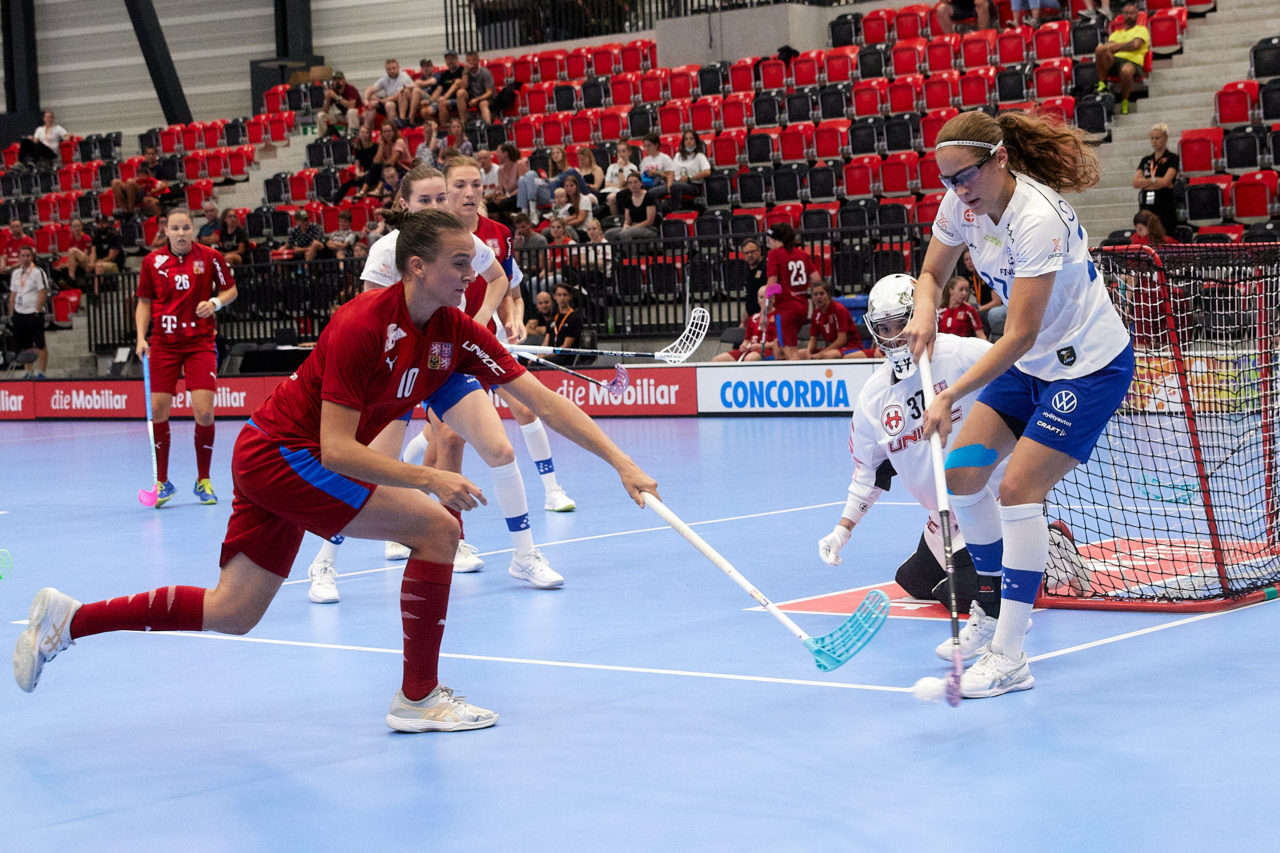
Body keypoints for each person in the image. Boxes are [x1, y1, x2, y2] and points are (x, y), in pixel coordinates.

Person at [14, 209, 659, 734]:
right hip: (283, 455)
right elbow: (337, 451)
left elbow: (543, 398)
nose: (473, 275)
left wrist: (623, 465)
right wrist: (431, 479)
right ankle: (418, 698)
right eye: (460, 264)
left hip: (274, 457)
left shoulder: (454, 330)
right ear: (416, 266)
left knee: (234, 611)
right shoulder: (361, 325)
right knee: (436, 531)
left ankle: (68, 621)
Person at [903, 109, 1134, 698]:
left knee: (1017, 490)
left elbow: (1020, 332)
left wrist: (950, 394)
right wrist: (925, 307)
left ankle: (1011, 653)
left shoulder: (1038, 220)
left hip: (1087, 367)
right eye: (947, 182)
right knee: (962, 473)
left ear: (999, 160)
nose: (956, 194)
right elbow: (931, 272)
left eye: (965, 178)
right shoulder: (962, 204)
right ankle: (989, 609)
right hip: (1033, 369)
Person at [818, 274, 997, 618]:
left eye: (901, 324)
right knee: (913, 581)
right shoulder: (874, 395)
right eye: (884, 329)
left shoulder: (962, 354)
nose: (893, 337)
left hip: (987, 501)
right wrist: (842, 530)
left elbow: (1020, 379)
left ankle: (1045, 548)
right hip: (942, 515)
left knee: (960, 595)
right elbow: (869, 472)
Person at [135, 208, 240, 508]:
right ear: (165, 231)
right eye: (175, 228)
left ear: (193, 230)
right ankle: (163, 483)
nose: (181, 233)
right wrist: (141, 338)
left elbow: (231, 289)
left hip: (200, 344)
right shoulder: (151, 262)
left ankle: (203, 480)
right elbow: (144, 303)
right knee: (158, 411)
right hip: (164, 345)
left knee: (204, 413)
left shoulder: (210, 257)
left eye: (186, 228)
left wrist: (216, 303)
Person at [764, 223, 819, 361]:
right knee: (782, 348)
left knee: (790, 351)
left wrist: (764, 312)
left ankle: (800, 380)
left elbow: (772, 285)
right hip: (802, 307)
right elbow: (816, 279)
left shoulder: (774, 254)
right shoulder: (802, 254)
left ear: (774, 239)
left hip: (785, 309)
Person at [1094, 3, 1149, 115]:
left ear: (1137, 15)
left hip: (1133, 62)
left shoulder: (1142, 30)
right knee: (1100, 49)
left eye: (1132, 13)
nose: (1129, 15)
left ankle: (1125, 102)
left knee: (1126, 70)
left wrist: (1116, 47)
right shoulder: (1116, 33)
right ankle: (1102, 83)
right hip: (1114, 61)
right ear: (1122, 15)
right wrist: (1124, 45)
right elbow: (1108, 48)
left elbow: (1135, 45)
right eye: (1126, 13)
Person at [7, 245, 50, 378]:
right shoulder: (15, 273)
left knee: (40, 343)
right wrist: (11, 311)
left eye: (28, 256)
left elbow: (42, 291)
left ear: (32, 257)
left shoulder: (38, 272)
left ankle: (42, 372)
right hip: (20, 313)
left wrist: (38, 309)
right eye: (23, 256)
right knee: (25, 345)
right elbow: (13, 293)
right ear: (19, 257)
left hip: (33, 313)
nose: (25, 258)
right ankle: (28, 371)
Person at [1133, 122, 1179, 236]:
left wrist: (1146, 182)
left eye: (1158, 138)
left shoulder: (1173, 158)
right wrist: (1155, 181)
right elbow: (1135, 182)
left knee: (1165, 235)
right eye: (1152, 138)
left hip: (1165, 205)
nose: (1154, 141)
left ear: (1165, 138)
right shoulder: (1146, 160)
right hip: (1147, 205)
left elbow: (1166, 181)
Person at [712, 285, 775, 362]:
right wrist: (743, 346)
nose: (764, 300)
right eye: (761, 297)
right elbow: (747, 340)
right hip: (750, 350)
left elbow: (779, 343)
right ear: (758, 300)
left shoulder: (778, 316)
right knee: (718, 360)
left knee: (749, 359)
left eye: (767, 297)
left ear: (773, 299)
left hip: (768, 350)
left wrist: (760, 346)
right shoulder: (753, 318)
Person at [800, 280, 857, 359]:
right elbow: (813, 339)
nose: (818, 297)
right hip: (833, 349)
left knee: (826, 355)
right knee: (800, 354)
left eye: (821, 294)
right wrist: (808, 352)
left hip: (851, 347)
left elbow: (842, 340)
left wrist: (822, 353)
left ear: (828, 295)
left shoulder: (838, 309)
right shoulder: (816, 313)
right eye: (815, 294)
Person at [605, 173, 658, 243]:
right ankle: (618, 253)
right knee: (609, 233)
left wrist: (633, 227)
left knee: (626, 233)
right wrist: (625, 226)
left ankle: (632, 254)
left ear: (641, 183)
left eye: (635, 182)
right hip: (632, 227)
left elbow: (649, 221)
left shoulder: (649, 197)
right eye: (630, 183)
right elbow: (627, 220)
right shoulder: (628, 198)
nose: (633, 185)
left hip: (648, 228)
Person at [362, 59, 414, 128]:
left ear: (398, 68)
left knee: (389, 105)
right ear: (386, 70)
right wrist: (366, 101)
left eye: (394, 68)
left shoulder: (404, 78)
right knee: (372, 97)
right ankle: (367, 129)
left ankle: (393, 129)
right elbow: (369, 90)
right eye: (389, 69)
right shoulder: (385, 78)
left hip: (402, 104)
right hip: (388, 100)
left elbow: (397, 96)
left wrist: (379, 103)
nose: (392, 71)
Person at [669, 130, 711, 211]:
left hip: (693, 184)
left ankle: (676, 211)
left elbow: (707, 172)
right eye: (686, 139)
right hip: (676, 182)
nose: (688, 141)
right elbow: (671, 172)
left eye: (691, 139)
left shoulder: (700, 156)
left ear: (696, 141)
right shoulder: (678, 156)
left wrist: (690, 178)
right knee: (653, 192)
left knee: (674, 187)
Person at [938, 275, 988, 341]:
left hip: (961, 346)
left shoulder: (969, 310)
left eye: (966, 290)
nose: (964, 293)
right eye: (961, 290)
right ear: (951, 291)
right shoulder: (939, 310)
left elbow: (981, 335)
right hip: (942, 345)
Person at [316, 70, 362, 138]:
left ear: (344, 80)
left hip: (357, 115)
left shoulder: (350, 89)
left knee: (351, 112)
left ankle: (353, 137)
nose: (337, 82)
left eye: (339, 79)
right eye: (334, 80)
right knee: (321, 115)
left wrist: (336, 97)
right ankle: (323, 139)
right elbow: (325, 111)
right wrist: (327, 99)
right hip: (343, 115)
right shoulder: (334, 90)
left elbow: (351, 106)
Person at [454, 51, 495, 125]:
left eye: (473, 60)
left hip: (486, 98)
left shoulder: (485, 73)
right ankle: (463, 123)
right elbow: (463, 86)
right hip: (472, 97)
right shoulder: (466, 72)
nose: (471, 62)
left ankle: (488, 127)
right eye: (469, 60)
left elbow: (489, 93)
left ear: (478, 61)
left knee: (483, 104)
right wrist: (465, 72)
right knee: (460, 92)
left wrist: (477, 99)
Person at [546, 283, 583, 365]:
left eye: (565, 295)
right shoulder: (553, 318)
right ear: (554, 297)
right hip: (550, 355)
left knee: (537, 363)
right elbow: (545, 343)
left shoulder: (575, 318)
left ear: (570, 296)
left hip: (564, 356)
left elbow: (566, 346)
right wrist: (538, 355)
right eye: (559, 295)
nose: (562, 298)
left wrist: (547, 355)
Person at [88, 215, 123, 293]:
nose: (101, 225)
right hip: (99, 261)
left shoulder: (114, 236)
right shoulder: (96, 237)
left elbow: (111, 257)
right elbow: (93, 252)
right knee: (89, 265)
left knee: (99, 266)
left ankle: (96, 293)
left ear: (108, 223)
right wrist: (91, 263)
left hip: (113, 265)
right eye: (99, 223)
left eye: (103, 223)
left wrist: (98, 262)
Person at [54, 217, 93, 284]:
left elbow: (85, 255)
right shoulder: (71, 240)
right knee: (59, 267)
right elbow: (71, 257)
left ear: (82, 226)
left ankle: (71, 278)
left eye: (79, 226)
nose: (77, 228)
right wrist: (65, 264)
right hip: (77, 261)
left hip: (87, 261)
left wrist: (69, 264)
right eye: (74, 226)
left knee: (72, 250)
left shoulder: (86, 238)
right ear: (71, 228)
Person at [738, 238, 768, 317]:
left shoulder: (767, 268)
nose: (750, 255)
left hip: (765, 314)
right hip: (752, 316)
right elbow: (750, 296)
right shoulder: (745, 269)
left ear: (759, 251)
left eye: (752, 252)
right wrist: (743, 322)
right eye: (746, 253)